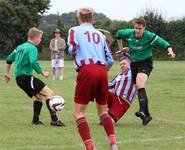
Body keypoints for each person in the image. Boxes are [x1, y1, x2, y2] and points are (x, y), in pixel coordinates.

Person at [67, 7, 118, 150]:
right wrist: (100, 71)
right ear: (92, 19)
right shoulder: (101, 35)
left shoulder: (74, 30)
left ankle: (90, 147)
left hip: (87, 70)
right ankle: (113, 144)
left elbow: (72, 49)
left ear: (79, 19)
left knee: (78, 113)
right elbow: (110, 60)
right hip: (102, 70)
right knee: (103, 111)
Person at [116, 17, 176, 125]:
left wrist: (170, 52)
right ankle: (147, 116)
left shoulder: (149, 36)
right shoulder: (129, 33)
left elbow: (165, 43)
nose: (138, 30)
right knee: (138, 86)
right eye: (136, 28)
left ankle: (142, 111)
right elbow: (118, 33)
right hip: (134, 63)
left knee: (140, 84)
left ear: (144, 28)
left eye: (140, 28)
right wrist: (121, 48)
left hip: (146, 63)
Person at [4, 27, 65, 127]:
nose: (40, 40)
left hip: (19, 79)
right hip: (26, 78)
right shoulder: (32, 48)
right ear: (36, 38)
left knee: (40, 97)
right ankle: (54, 120)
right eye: (40, 38)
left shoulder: (19, 47)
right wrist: (42, 72)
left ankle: (35, 120)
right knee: (49, 93)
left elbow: (9, 59)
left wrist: (7, 73)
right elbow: (33, 62)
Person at [107, 55, 136, 124]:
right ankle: (103, 112)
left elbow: (135, 60)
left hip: (123, 101)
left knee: (108, 122)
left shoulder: (133, 72)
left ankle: (108, 115)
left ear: (130, 64)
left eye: (124, 64)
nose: (122, 66)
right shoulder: (119, 76)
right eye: (121, 64)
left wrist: (125, 54)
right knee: (98, 90)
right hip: (114, 98)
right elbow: (109, 85)